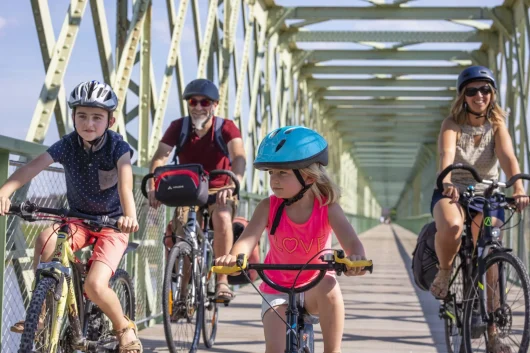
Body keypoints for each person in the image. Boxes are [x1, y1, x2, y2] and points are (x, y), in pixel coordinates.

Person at [0, 80, 142, 353]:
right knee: (45, 238)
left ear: (110, 121)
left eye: (97, 118)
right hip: (77, 220)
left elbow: (125, 185)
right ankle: (40, 314)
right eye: (82, 116)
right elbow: (32, 167)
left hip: (112, 224)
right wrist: (5, 191)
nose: (89, 123)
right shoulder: (67, 145)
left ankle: (124, 327)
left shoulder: (117, 147)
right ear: (73, 117)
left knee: (94, 285)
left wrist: (130, 216)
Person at [215, 126, 367, 353]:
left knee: (330, 284)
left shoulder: (327, 207)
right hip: (277, 288)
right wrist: (235, 257)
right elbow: (248, 239)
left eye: (282, 173)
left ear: (308, 176)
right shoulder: (268, 206)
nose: (274, 180)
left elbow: (351, 241)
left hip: (315, 285)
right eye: (271, 173)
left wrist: (357, 258)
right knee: (275, 348)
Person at [431, 66, 529, 352]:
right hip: (453, 190)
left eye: (485, 89)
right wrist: (447, 181)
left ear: (493, 94)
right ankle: (446, 271)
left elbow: (508, 157)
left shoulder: (497, 125)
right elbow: (446, 155)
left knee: (492, 256)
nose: (479, 95)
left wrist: (518, 188)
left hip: (487, 193)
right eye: (472, 90)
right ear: (463, 96)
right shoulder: (451, 124)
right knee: (452, 227)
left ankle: (494, 335)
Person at [148, 78, 246, 302]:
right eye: (194, 101)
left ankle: (222, 282)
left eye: (205, 102)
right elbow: (160, 157)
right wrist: (154, 184)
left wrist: (234, 183)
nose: (199, 107)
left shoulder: (226, 127)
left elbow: (239, 157)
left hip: (220, 189)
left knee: (221, 218)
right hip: (188, 189)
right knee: (181, 230)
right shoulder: (178, 127)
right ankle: (182, 292)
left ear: (215, 105)